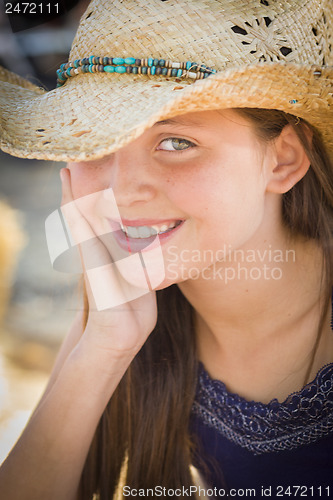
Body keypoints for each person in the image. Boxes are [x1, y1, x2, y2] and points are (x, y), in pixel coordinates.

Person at [0, 0, 332, 498]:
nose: (123, 189)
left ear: (283, 159)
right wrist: (104, 345)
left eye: (176, 143)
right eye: (94, 143)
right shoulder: (123, 313)